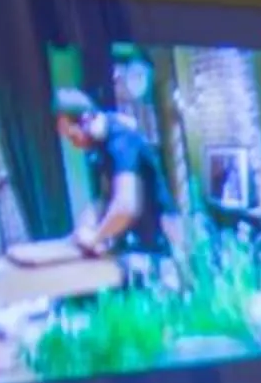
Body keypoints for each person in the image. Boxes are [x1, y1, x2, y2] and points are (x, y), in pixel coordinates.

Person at [15, 89, 172, 270]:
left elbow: (125, 207)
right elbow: (105, 199)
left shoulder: (121, 141)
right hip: (137, 238)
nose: (74, 144)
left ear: (87, 120)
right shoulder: (100, 147)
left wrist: (96, 237)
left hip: (160, 240)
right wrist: (82, 229)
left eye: (73, 136)